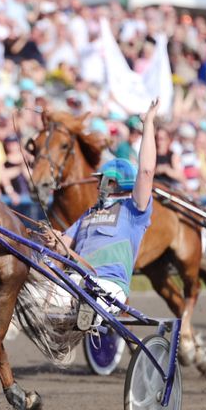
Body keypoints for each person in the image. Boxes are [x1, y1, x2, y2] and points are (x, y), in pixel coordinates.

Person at [54, 98, 159, 312]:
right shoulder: (89, 213)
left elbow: (146, 172)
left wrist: (148, 125)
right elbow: (63, 245)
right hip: (76, 281)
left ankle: (86, 309)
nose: (98, 184)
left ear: (115, 183)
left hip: (108, 285)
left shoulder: (133, 210)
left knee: (84, 300)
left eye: (103, 180)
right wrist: (52, 238)